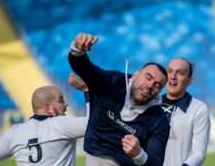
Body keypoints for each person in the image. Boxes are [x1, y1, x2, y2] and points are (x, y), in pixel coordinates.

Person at [68, 33, 170, 166]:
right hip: (96, 156)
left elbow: (155, 163)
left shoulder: (159, 121)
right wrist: (77, 49)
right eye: (148, 77)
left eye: (157, 85)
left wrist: (139, 155)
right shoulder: (112, 82)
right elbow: (84, 68)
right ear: (136, 75)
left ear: (159, 92)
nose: (150, 85)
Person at [0, 82, 89, 166]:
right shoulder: (61, 124)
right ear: (48, 108)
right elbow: (93, 123)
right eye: (61, 100)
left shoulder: (15, 132)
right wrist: (86, 91)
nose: (66, 103)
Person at [160, 58, 211, 166]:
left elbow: (199, 153)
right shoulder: (152, 104)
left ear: (189, 81)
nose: (173, 76)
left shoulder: (199, 109)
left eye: (180, 73)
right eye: (169, 71)